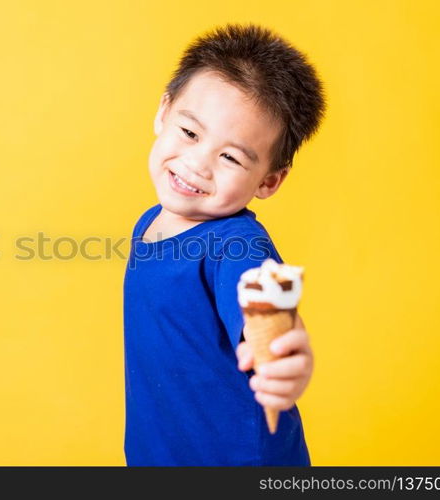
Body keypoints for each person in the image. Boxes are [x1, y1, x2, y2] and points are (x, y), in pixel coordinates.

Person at [123, 23, 326, 465]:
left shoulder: (235, 245)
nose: (198, 164)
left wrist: (283, 349)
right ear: (164, 111)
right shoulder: (150, 222)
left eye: (231, 157)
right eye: (190, 133)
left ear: (269, 180)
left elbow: (261, 292)